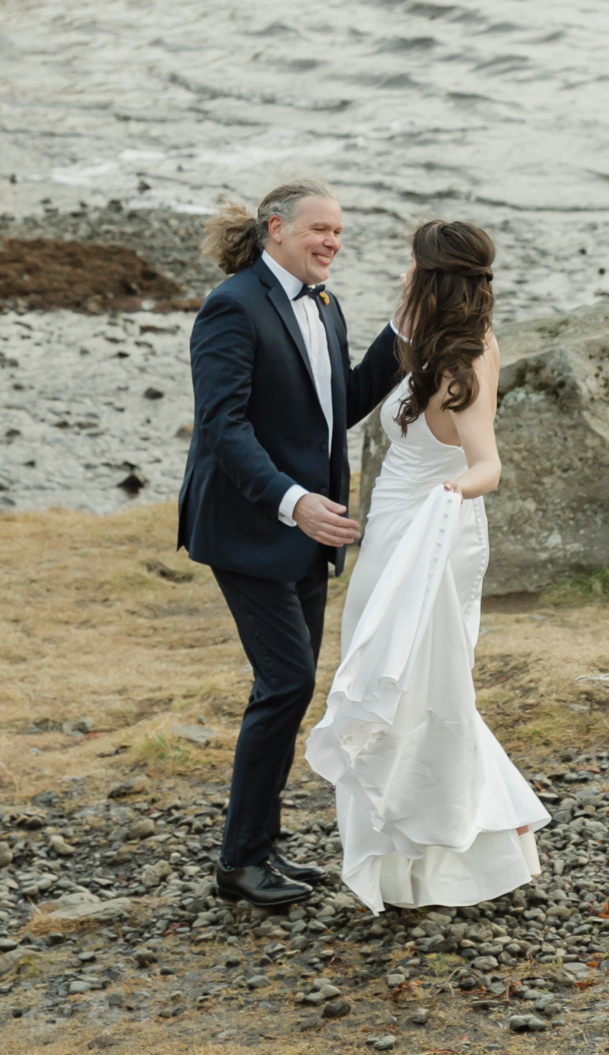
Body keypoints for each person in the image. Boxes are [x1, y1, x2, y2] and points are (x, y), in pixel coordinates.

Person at [305, 219, 548, 913]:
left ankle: (440, 857)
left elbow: (487, 465)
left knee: (421, 684)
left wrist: (451, 496)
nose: (402, 271)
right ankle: (412, 858)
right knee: (387, 671)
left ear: (430, 274)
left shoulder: (467, 359)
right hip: (390, 530)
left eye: (411, 263)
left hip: (431, 530)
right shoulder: (418, 337)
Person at [177, 179, 403, 909]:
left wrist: (406, 328)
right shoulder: (231, 307)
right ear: (276, 228)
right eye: (320, 229)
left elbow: (342, 404)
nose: (333, 242)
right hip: (248, 527)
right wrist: (293, 502)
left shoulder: (326, 305)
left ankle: (259, 850)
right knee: (285, 685)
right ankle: (239, 864)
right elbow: (223, 426)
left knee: (289, 686)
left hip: (308, 531)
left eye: (340, 232)